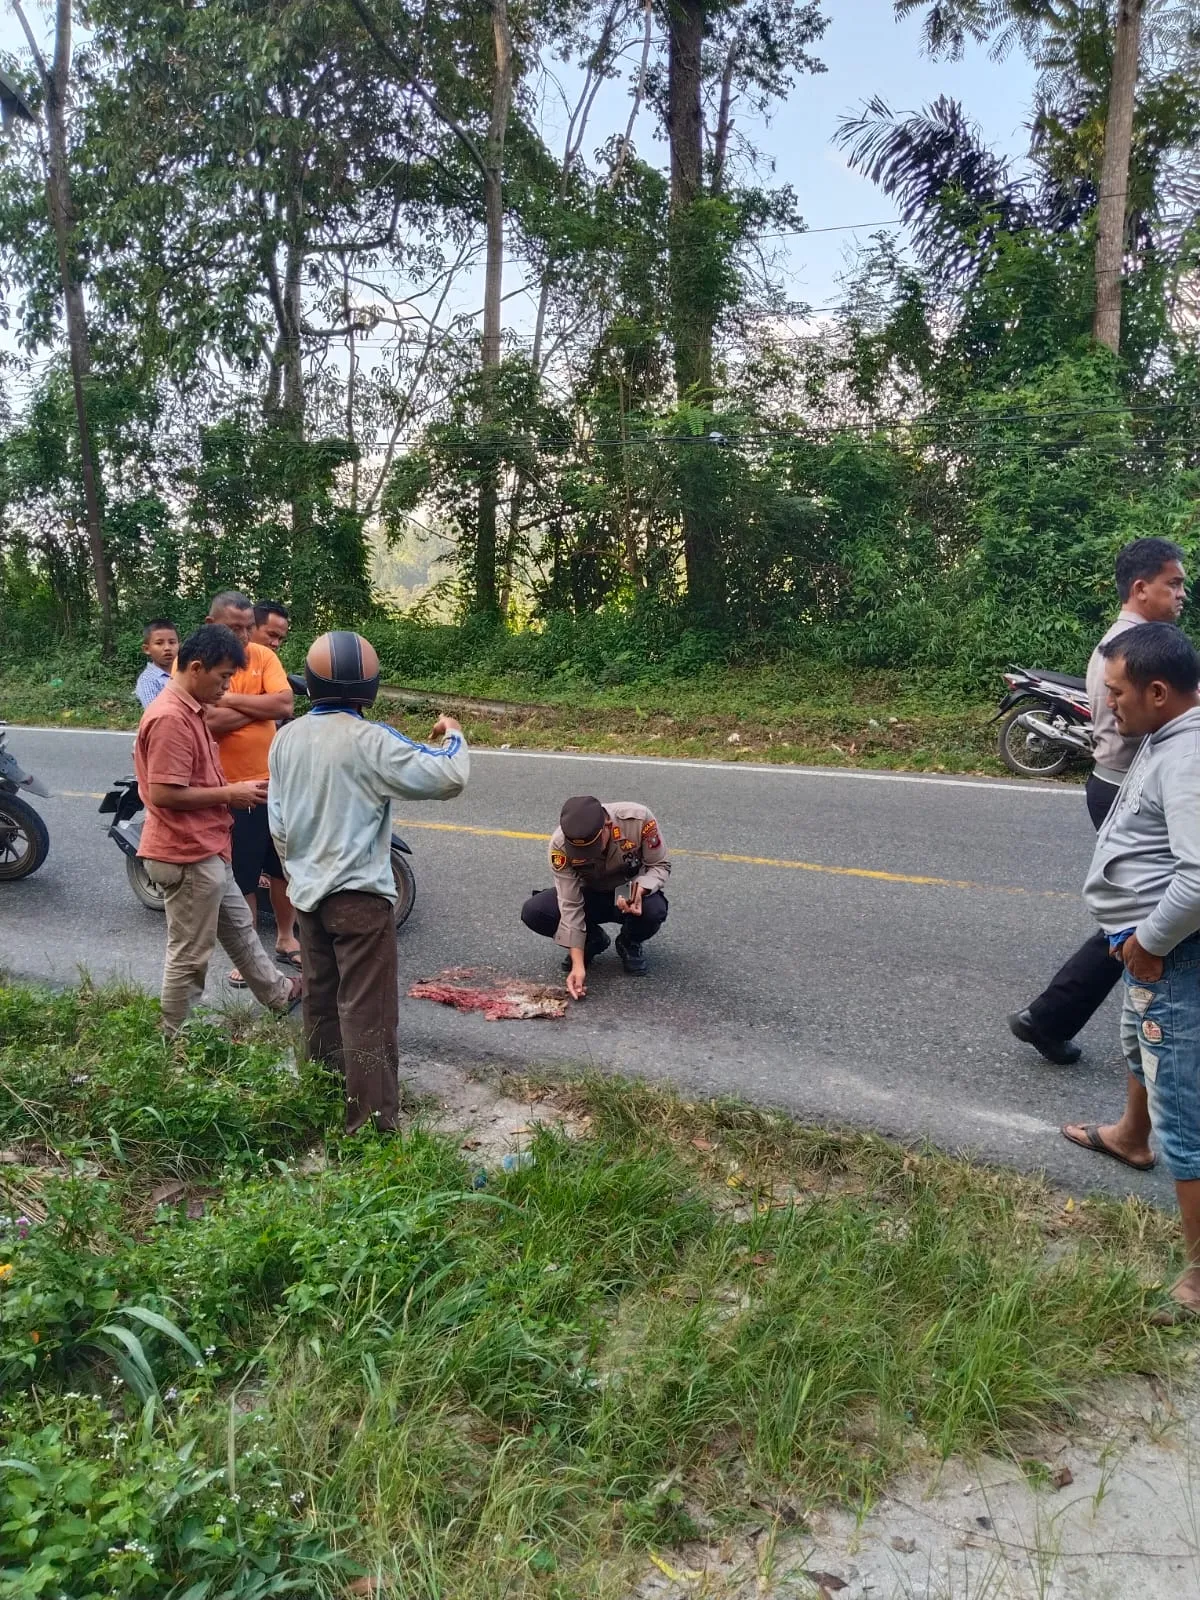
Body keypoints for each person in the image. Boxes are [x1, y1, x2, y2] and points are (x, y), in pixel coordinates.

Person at [268, 631, 469, 1134]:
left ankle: (320, 1094)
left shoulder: (285, 737)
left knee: (321, 1000)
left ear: (311, 684)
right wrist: (454, 734)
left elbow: (278, 822)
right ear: (370, 688)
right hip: (358, 898)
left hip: (307, 893)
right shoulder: (371, 740)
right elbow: (447, 777)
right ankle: (371, 1129)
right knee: (368, 1014)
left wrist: (298, 871)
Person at [1061, 624, 1200, 1320]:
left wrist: (1149, 939)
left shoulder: (1187, 755)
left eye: (1114, 693)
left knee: (1184, 1107)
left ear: (1155, 691)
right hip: (1149, 951)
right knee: (1138, 1050)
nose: (1106, 705)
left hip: (1171, 953)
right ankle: (1128, 1136)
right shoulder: (1169, 736)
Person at [1010, 538, 1187, 1066]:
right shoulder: (1129, 650)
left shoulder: (1141, 640)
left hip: (1124, 782)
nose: (1182, 595)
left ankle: (1052, 1018)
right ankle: (1053, 1018)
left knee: (1151, 911)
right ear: (1141, 588)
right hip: (1124, 786)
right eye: (1172, 584)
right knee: (1149, 914)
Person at [134, 624, 302, 1033]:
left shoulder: (189, 708)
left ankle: (280, 994)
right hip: (185, 853)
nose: (227, 686)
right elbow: (165, 794)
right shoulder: (171, 717)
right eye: (224, 676)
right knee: (190, 954)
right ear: (195, 667)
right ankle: (172, 1039)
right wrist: (231, 792)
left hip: (206, 847)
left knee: (241, 931)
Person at [191, 591, 300, 977]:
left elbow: (284, 706)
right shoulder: (194, 662)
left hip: (277, 785)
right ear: (211, 624)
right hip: (233, 791)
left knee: (282, 869)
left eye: (247, 627)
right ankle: (250, 958)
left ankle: (287, 939)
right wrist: (258, 708)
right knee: (244, 876)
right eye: (233, 627)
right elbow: (208, 723)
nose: (242, 634)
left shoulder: (264, 656)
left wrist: (232, 704)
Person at [521, 795, 671, 1000]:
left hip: (626, 889)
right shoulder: (559, 845)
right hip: (588, 895)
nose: (587, 855)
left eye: (591, 848)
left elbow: (659, 865)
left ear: (607, 826)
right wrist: (578, 964)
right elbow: (570, 903)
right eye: (580, 851)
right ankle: (592, 940)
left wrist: (640, 889)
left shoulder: (639, 819)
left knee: (654, 910)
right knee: (535, 911)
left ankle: (629, 941)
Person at [134, 619, 178, 709]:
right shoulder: (148, 680)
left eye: (172, 642)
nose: (167, 648)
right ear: (147, 649)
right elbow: (154, 713)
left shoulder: (185, 671)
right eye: (159, 643)